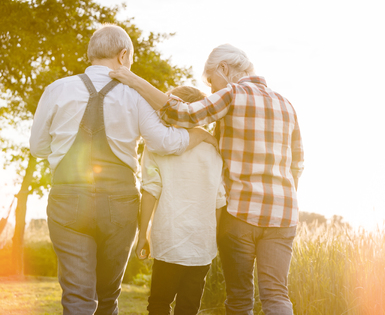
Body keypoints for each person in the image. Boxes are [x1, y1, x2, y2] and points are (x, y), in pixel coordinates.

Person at [29, 24, 215, 315]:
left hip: (67, 202)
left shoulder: (56, 89)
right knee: (107, 297)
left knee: (77, 297)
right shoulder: (135, 95)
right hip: (119, 204)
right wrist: (199, 135)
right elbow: (165, 142)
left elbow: (38, 147)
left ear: (91, 54)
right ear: (124, 55)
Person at [110, 43, 304, 315]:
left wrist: (133, 80)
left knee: (240, 298)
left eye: (212, 81)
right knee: (277, 295)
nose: (213, 90)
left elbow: (182, 114)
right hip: (283, 216)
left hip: (241, 213)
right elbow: (297, 164)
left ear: (223, 69)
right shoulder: (287, 104)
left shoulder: (232, 94)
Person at [136, 85, 226, 315]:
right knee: (189, 307)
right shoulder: (214, 150)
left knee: (159, 303)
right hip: (201, 244)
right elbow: (219, 201)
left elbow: (150, 191)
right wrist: (211, 238)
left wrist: (142, 234)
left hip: (169, 238)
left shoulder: (157, 146)